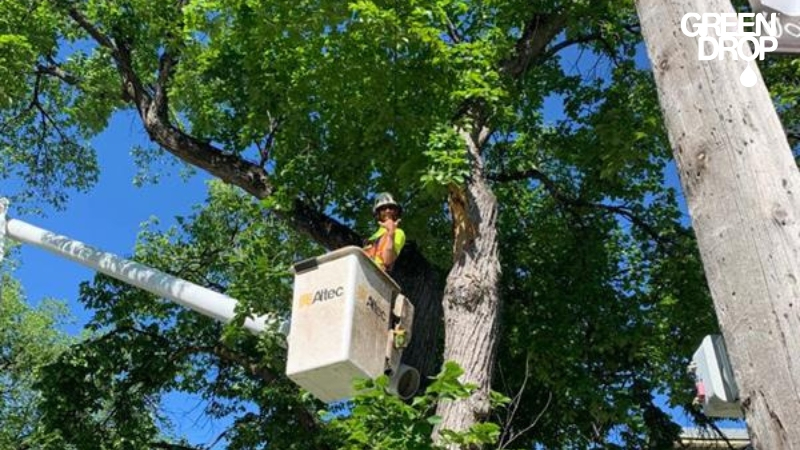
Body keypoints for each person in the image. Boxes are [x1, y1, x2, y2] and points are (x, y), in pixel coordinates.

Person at [364, 192, 406, 272]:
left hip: (378, 275)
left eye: (391, 207)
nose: (387, 211)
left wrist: (391, 234)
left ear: (396, 212)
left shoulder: (398, 232)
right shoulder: (372, 237)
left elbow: (387, 260)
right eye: (383, 208)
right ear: (378, 213)